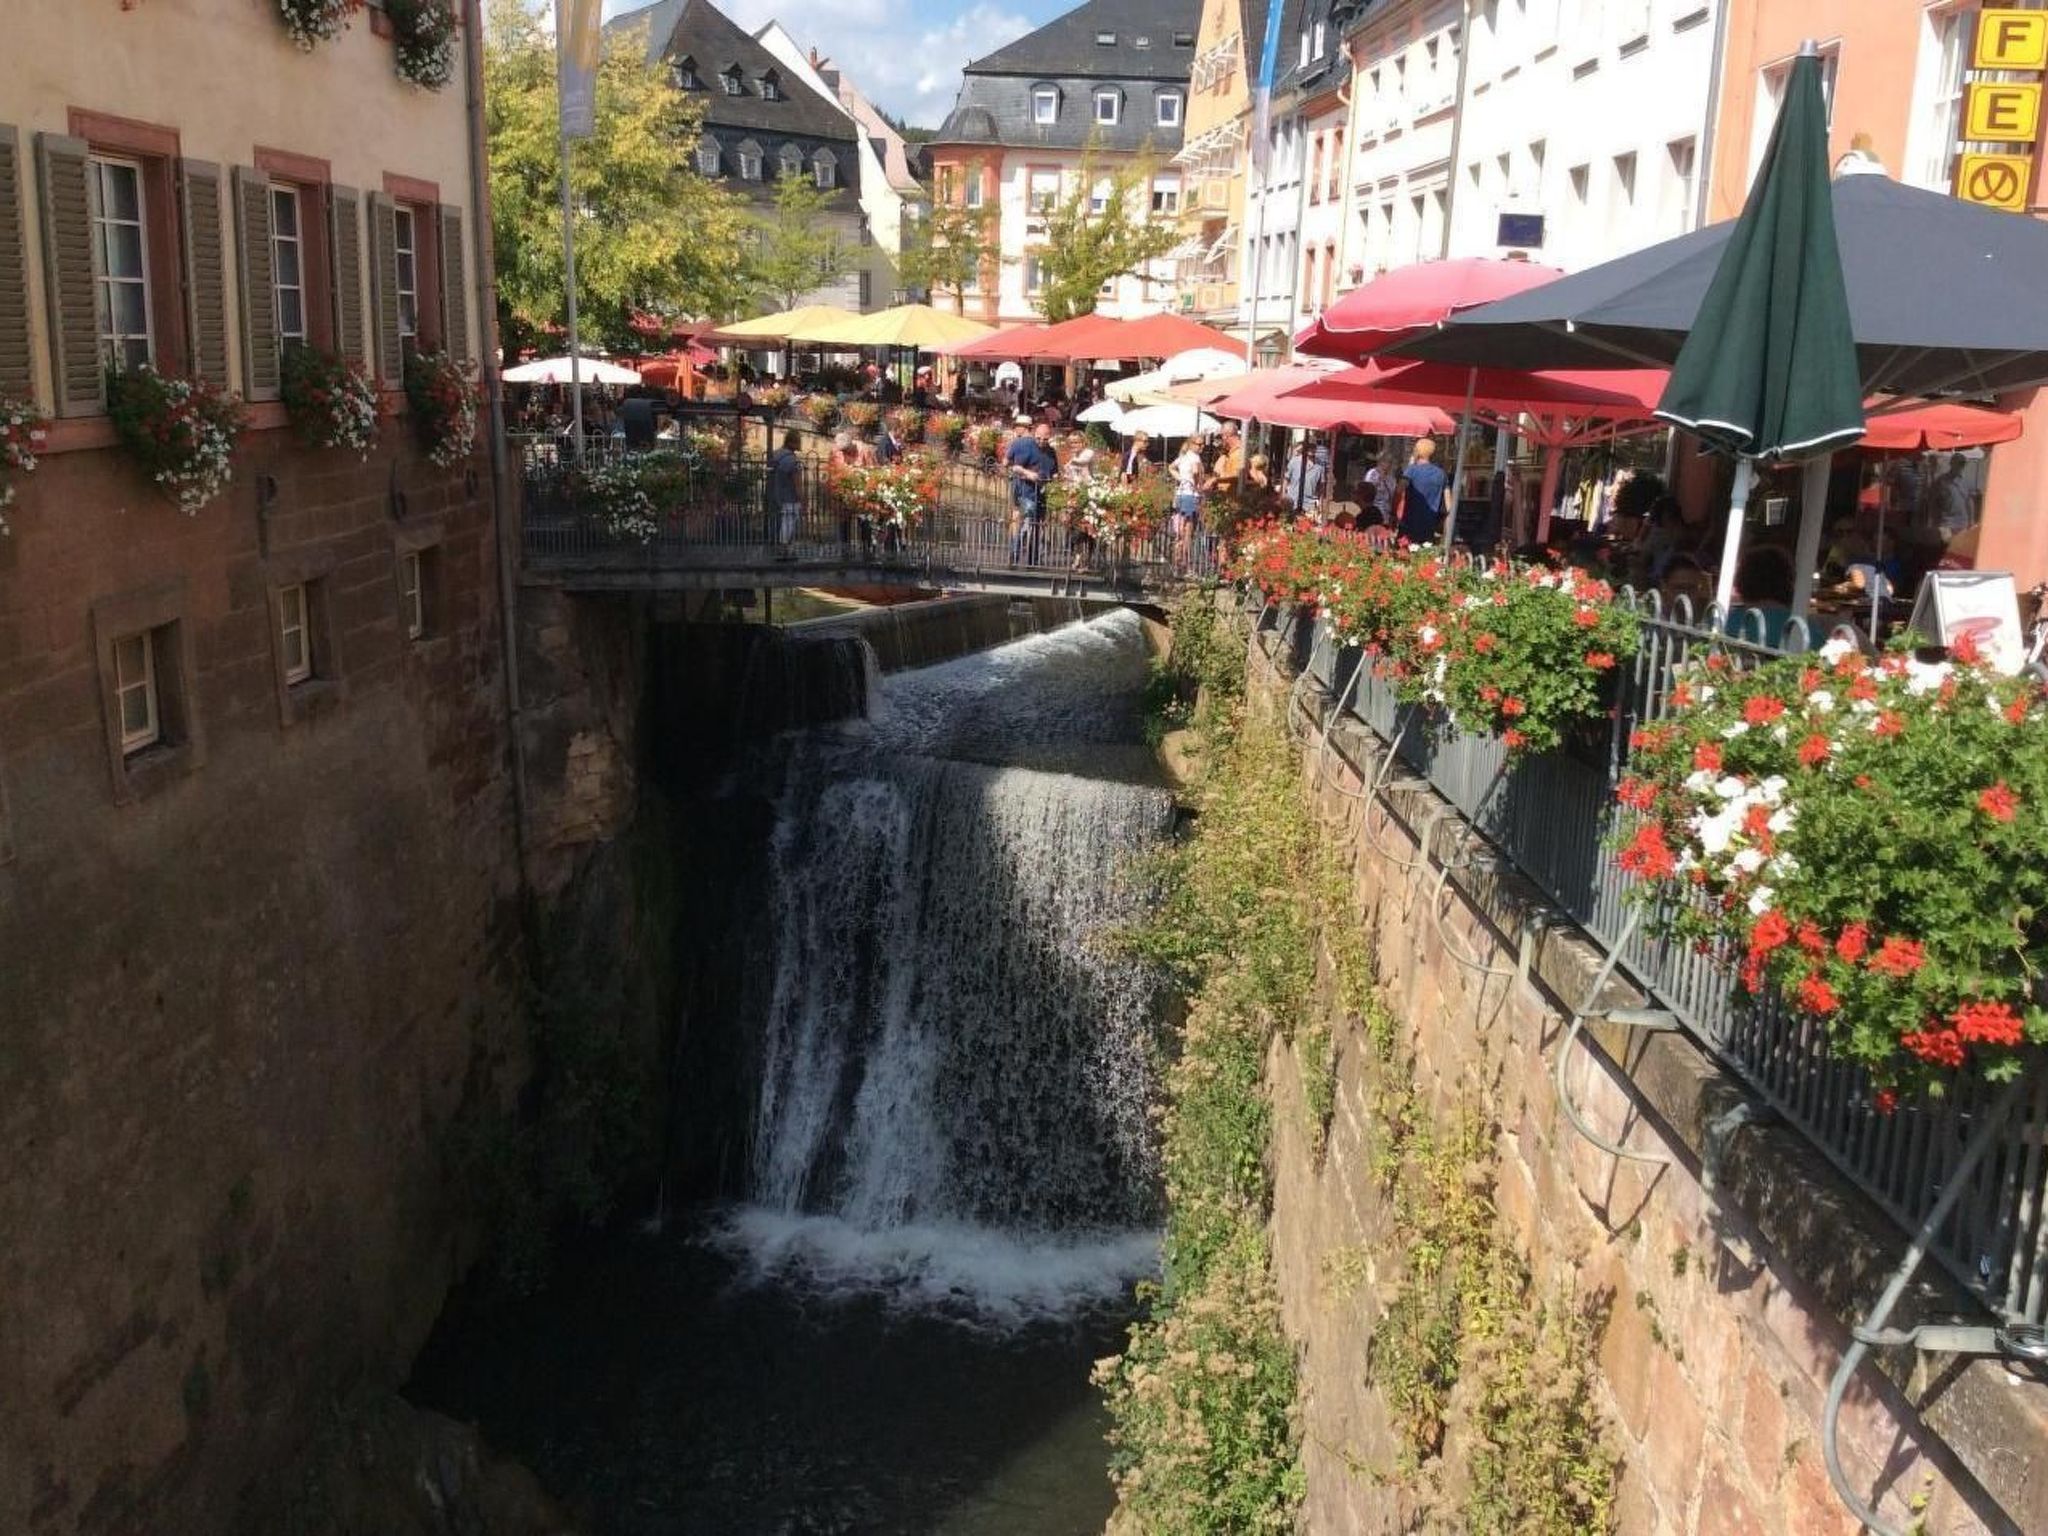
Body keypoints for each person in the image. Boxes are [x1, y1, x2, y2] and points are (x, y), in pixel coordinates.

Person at [1006, 419, 1058, 565]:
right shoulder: (1025, 445)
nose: (1041, 441)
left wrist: (1056, 479)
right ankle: (1014, 554)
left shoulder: (1051, 452)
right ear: (1034, 434)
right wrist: (1029, 474)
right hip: (1026, 489)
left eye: (1045, 439)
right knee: (1026, 522)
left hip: (1042, 492)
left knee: (1038, 523)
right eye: (1039, 438)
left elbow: (1054, 471)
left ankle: (1033, 558)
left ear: (1050, 437)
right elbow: (1015, 467)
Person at [1398, 437, 1450, 545]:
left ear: (1417, 451)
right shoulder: (1441, 474)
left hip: (1410, 522)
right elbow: (1449, 506)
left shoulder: (1411, 470)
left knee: (1404, 555)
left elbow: (1399, 489)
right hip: (1430, 523)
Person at [1170, 439, 1205, 571]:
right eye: (1199, 444)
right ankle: (1185, 560)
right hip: (1191, 494)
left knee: (1181, 527)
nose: (1202, 446)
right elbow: (1196, 472)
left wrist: (1181, 478)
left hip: (1181, 493)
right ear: (1191, 444)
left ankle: (1177, 558)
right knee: (1188, 529)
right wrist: (1197, 485)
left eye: (1202, 444)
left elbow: (1171, 467)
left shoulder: (1183, 457)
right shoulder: (1195, 457)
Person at [769, 430, 804, 559]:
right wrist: (803, 499)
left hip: (777, 494)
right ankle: (785, 549)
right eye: (798, 441)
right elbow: (797, 484)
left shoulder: (776, 455)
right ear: (793, 442)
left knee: (780, 521)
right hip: (790, 497)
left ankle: (780, 547)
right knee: (788, 523)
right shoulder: (792, 460)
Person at [1928, 453, 1974, 539]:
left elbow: (1969, 501)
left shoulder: (1967, 481)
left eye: (1963, 464)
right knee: (1945, 548)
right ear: (1952, 463)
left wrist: (1971, 521)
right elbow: (1933, 502)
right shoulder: (1940, 481)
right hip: (1946, 523)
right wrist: (1933, 521)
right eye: (1959, 463)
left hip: (1962, 523)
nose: (1961, 466)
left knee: (1958, 549)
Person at [1284, 439, 1324, 512]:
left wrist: (1320, 502)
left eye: (1313, 447)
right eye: (1309, 447)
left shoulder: (1320, 465)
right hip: (1293, 500)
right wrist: (1283, 495)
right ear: (1304, 448)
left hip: (1309, 503)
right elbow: (1286, 479)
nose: (1311, 449)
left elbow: (1321, 486)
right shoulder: (1294, 461)